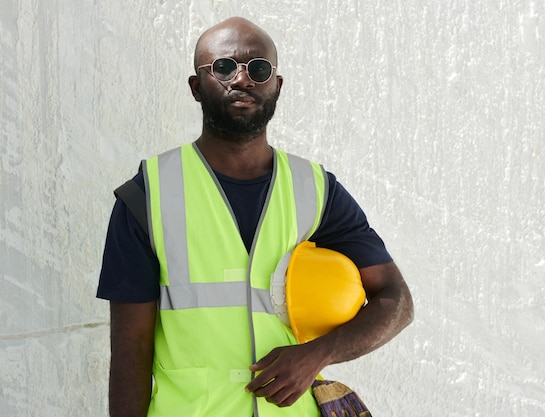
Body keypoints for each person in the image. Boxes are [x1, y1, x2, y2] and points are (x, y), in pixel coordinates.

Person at [97, 16, 414, 417]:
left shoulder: (316, 189)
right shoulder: (146, 195)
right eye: (224, 67)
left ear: (277, 86)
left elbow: (396, 300)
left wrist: (318, 354)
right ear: (197, 87)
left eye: (259, 69)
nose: (243, 79)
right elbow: (130, 350)